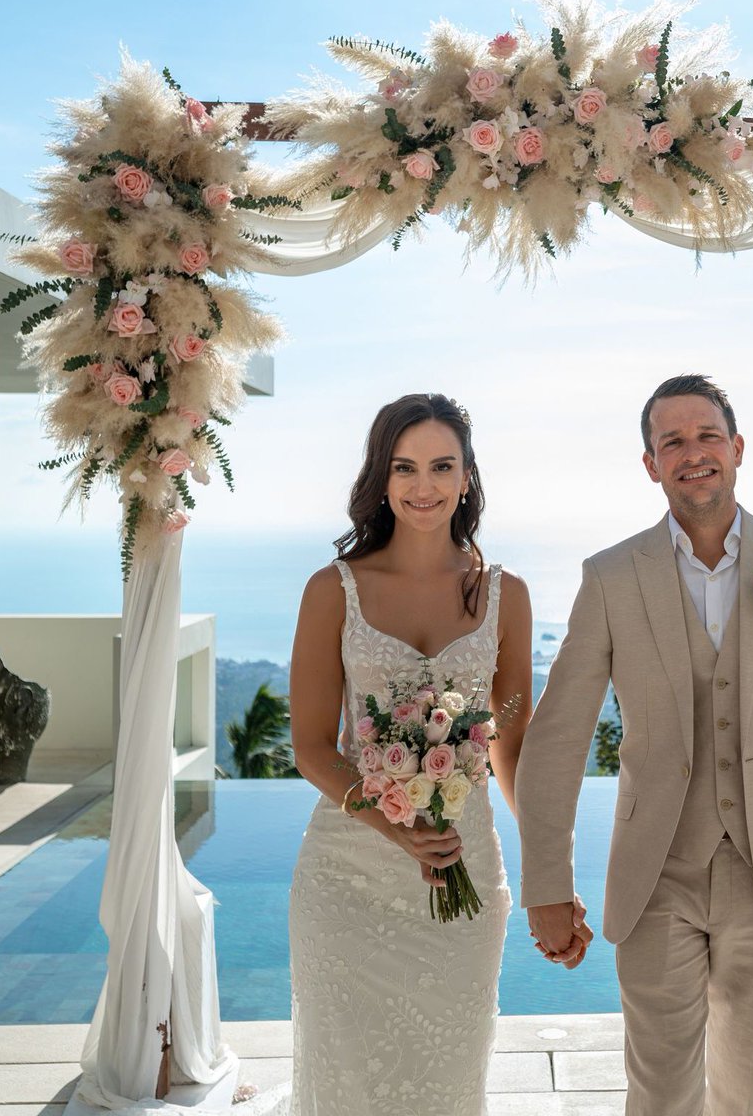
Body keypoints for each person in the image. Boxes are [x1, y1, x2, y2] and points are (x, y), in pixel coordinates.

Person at [516, 374, 753, 1116]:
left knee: (747, 1088)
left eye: (707, 435)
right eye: (671, 441)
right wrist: (547, 887)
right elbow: (557, 739)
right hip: (657, 872)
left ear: (738, 448)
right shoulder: (612, 577)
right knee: (659, 1088)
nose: (693, 453)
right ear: (650, 464)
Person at [286, 393, 579, 1115]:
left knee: (448, 1084)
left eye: (442, 466)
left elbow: (512, 741)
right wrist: (394, 825)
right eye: (405, 467)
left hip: (465, 874)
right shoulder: (334, 590)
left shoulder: (506, 596)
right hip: (346, 880)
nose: (425, 486)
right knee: (347, 1084)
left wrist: (549, 875)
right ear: (381, 481)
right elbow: (312, 749)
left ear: (468, 477)